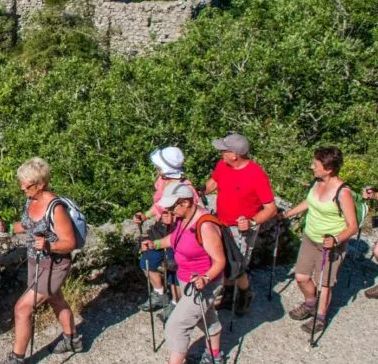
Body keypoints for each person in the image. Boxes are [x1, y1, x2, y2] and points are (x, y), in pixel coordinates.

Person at [0, 157, 82, 364]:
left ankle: (17, 360)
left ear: (40, 184)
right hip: (35, 261)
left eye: (27, 184)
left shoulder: (55, 208)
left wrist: (49, 245)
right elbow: (28, 225)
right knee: (56, 299)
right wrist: (7, 227)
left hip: (54, 265)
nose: (22, 187)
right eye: (22, 183)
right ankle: (72, 339)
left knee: (22, 309)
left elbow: (69, 242)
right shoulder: (31, 200)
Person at [143, 182, 226, 364]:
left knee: (177, 324)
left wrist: (205, 278)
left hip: (202, 284)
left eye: (173, 206)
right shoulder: (185, 219)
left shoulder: (205, 225)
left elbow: (220, 261)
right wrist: (155, 244)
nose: (169, 211)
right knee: (206, 316)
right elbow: (175, 239)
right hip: (187, 279)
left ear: (187, 202)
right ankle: (214, 355)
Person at [280, 148, 359, 333]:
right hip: (310, 238)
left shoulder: (343, 193)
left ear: (329, 169)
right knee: (301, 277)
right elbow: (310, 202)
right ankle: (310, 303)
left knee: (324, 283)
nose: (312, 167)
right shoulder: (317, 182)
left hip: (330, 246)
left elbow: (353, 226)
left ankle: (320, 317)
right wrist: (286, 214)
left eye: (316, 165)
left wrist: (336, 239)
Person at [202, 133, 277, 315]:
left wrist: (252, 222)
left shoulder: (256, 174)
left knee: (237, 265)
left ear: (234, 155)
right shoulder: (223, 165)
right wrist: (198, 192)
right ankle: (229, 295)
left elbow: (271, 208)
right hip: (221, 222)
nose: (220, 153)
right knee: (224, 261)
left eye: (224, 150)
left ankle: (245, 294)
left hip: (241, 228)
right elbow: (213, 183)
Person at [134, 147, 199, 319]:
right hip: (160, 228)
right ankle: (159, 293)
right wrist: (145, 215)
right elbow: (158, 205)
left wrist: (174, 219)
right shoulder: (162, 181)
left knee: (173, 269)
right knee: (147, 262)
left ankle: (176, 302)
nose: (157, 169)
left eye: (159, 167)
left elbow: (192, 214)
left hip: (178, 231)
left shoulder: (186, 189)